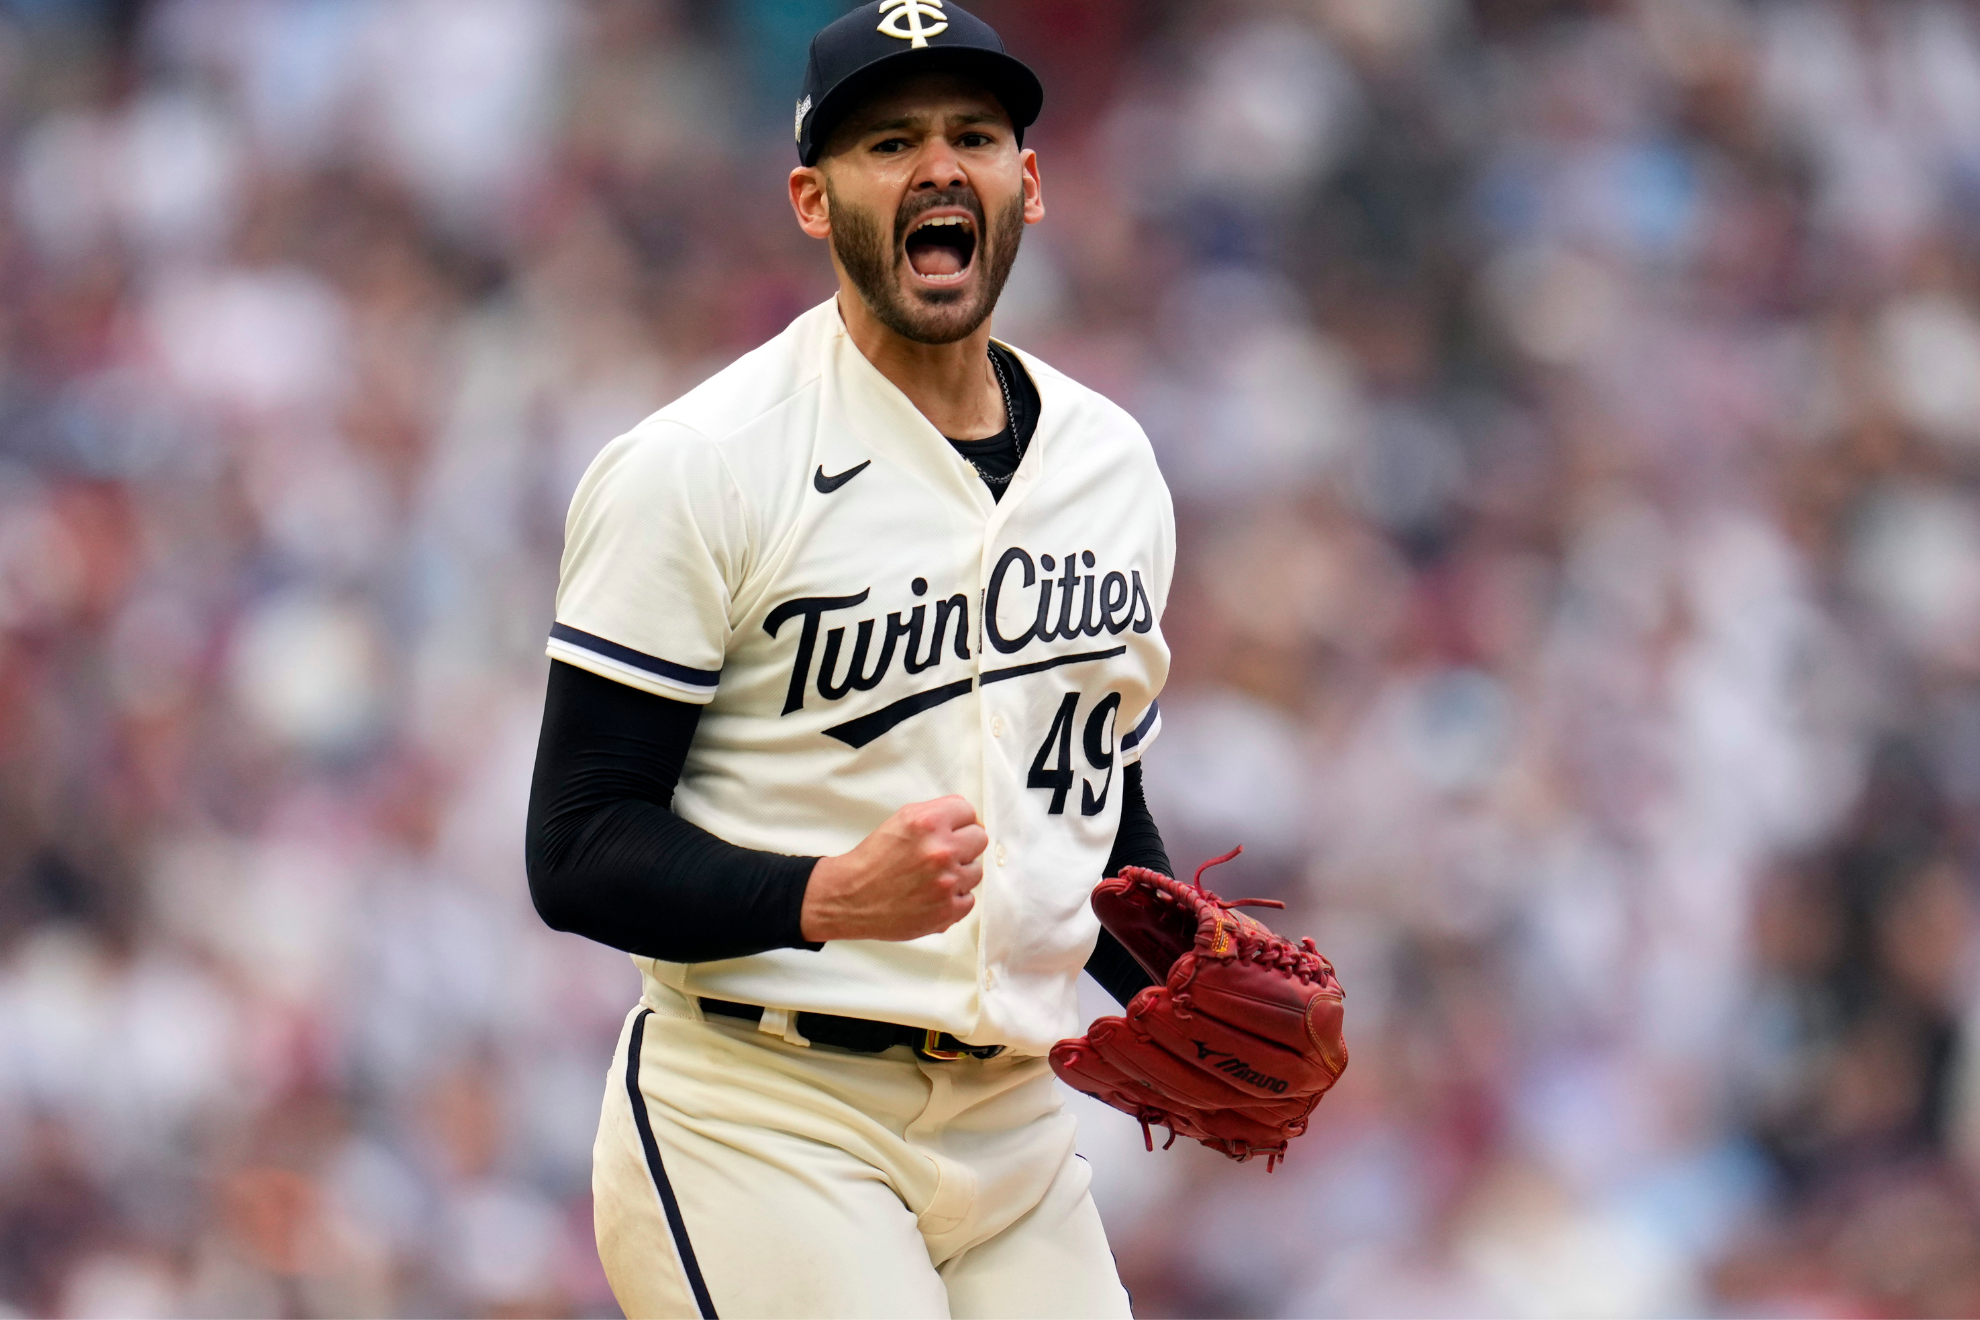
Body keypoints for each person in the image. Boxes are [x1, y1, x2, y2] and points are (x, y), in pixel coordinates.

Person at [525, 4, 1174, 1314]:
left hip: (1014, 1132)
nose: (939, 166)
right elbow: (578, 847)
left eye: (974, 135)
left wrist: (1184, 975)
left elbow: (1092, 820)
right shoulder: (701, 465)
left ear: (1027, 184)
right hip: (763, 1115)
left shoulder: (1112, 465)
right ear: (814, 201)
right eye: (889, 142)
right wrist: (825, 895)